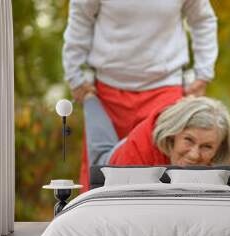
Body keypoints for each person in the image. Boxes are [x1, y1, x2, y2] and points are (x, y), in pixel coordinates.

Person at [62, 0, 219, 191]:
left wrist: (204, 74)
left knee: (166, 176)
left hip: (166, 90)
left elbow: (203, 20)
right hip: (109, 91)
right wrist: (74, 75)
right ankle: (94, 220)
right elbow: (81, 17)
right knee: (100, 175)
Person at [82, 95, 230, 192]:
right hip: (118, 156)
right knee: (100, 153)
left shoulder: (228, 152)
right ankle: (89, 98)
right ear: (173, 136)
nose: (195, 155)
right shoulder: (138, 149)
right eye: (188, 140)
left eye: (207, 147)